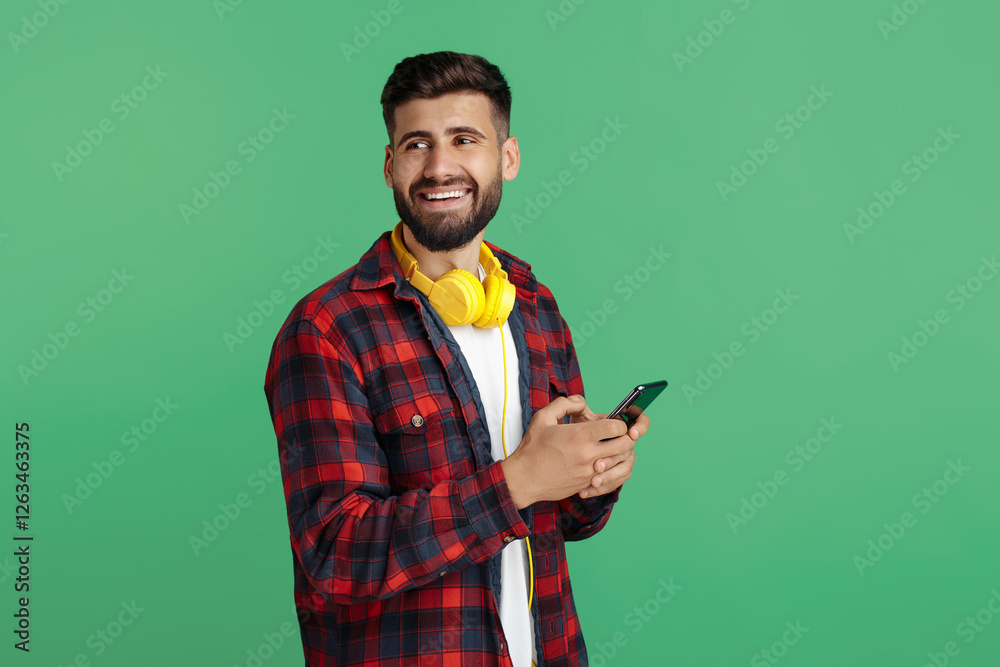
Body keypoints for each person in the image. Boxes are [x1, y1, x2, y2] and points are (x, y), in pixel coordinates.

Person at [263, 50, 650, 667]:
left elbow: (565, 522)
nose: (439, 167)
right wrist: (518, 481)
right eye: (416, 144)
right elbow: (335, 555)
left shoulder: (535, 305)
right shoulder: (328, 329)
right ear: (389, 165)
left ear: (508, 157)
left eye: (464, 139)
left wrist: (595, 475)